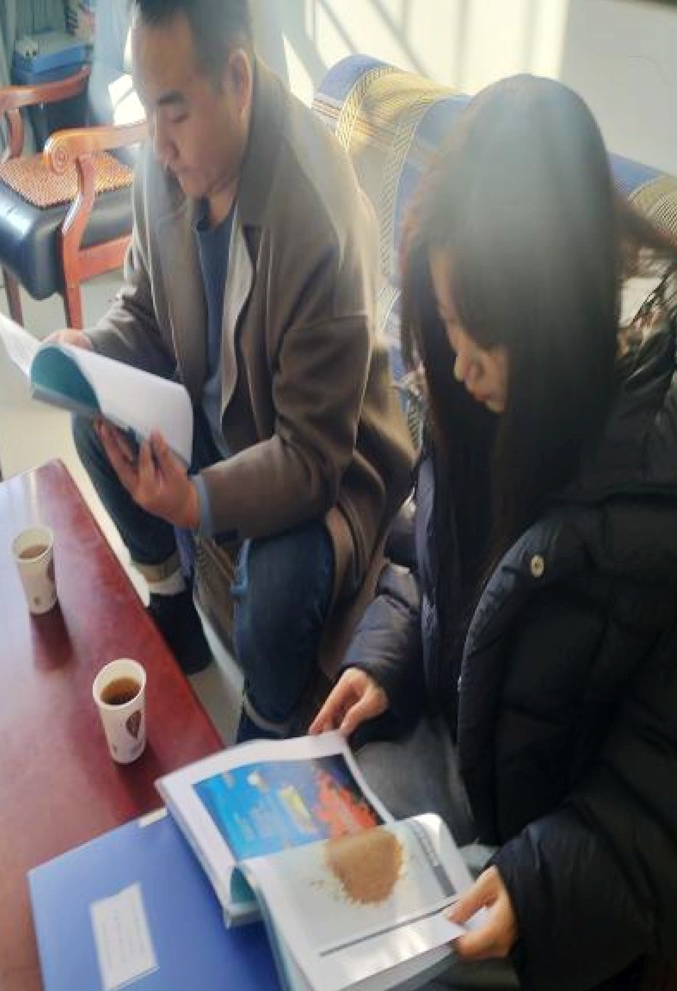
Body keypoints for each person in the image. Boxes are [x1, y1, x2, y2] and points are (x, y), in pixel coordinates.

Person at [310, 73, 677, 991]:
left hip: (568, 836)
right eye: (447, 328)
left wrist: (541, 881)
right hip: (474, 745)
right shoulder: (487, 381)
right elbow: (426, 543)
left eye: (483, 341)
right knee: (304, 861)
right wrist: (387, 652)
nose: (459, 367)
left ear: (563, 314)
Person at [50, 0, 413, 740]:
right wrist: (92, 352)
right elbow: (145, 309)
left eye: (174, 111)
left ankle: (267, 728)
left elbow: (311, 458)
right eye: (146, 108)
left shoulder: (315, 215)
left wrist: (195, 500)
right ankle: (172, 602)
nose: (157, 142)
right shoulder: (169, 163)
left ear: (238, 81)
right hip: (216, 418)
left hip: (323, 464)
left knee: (280, 577)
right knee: (92, 418)